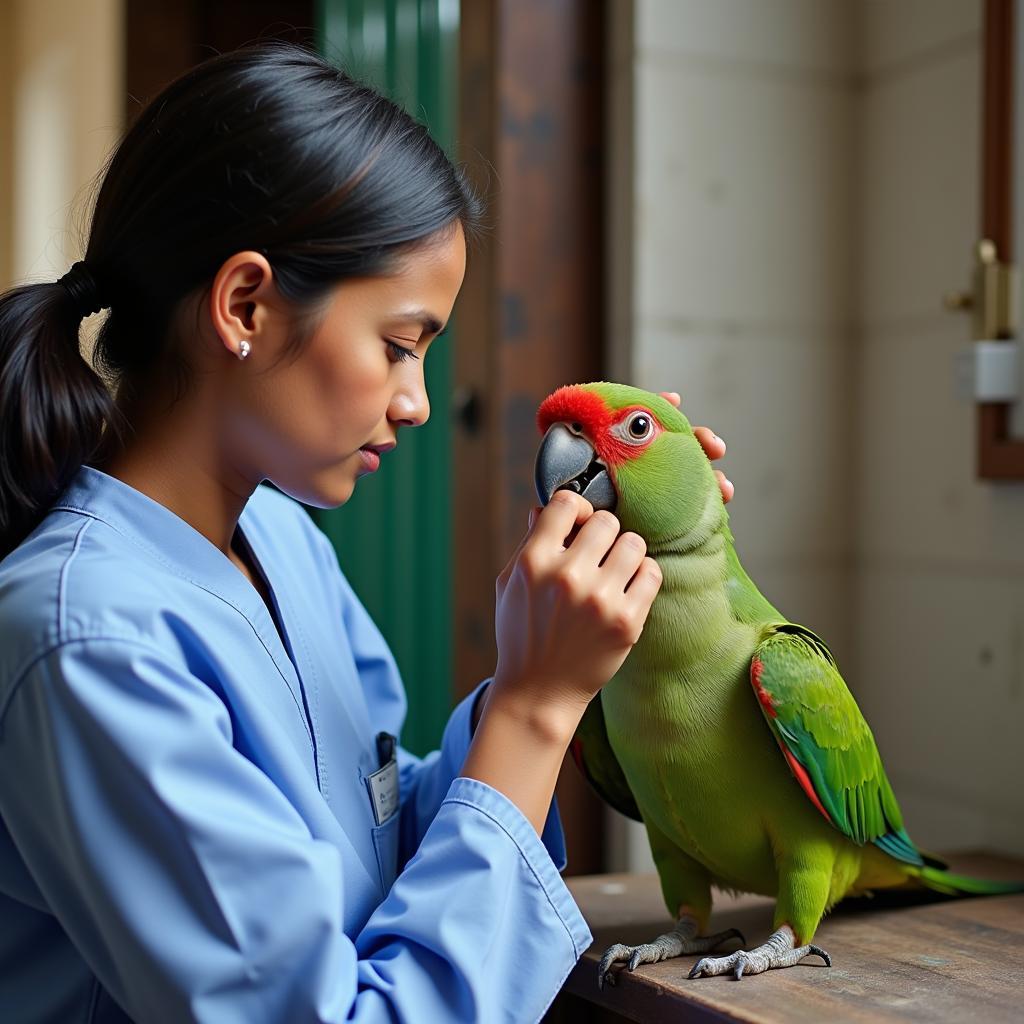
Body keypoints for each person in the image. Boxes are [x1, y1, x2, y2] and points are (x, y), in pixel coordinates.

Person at [0, 41, 733, 1024]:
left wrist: (568, 648)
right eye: (398, 346)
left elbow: (377, 847)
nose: (418, 402)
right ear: (245, 304)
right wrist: (530, 707)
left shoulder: (281, 540)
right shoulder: (89, 642)